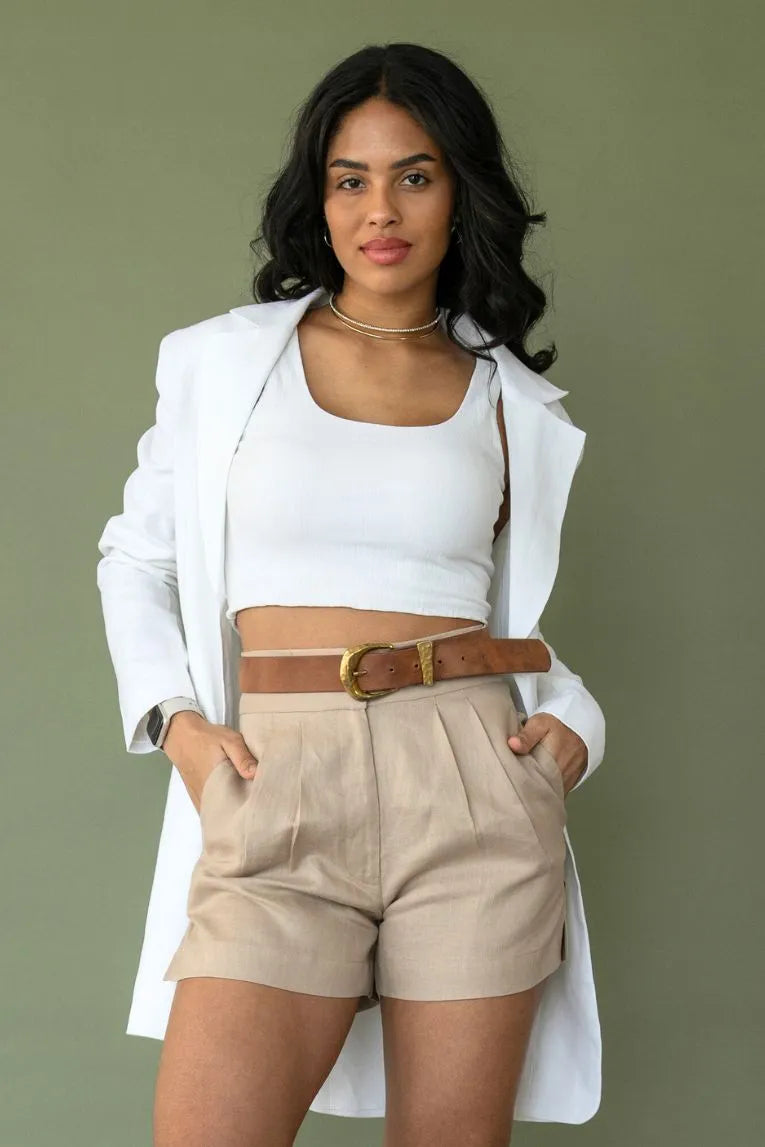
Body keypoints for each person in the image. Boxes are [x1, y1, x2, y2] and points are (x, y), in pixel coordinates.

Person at [96, 41, 606, 1147]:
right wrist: (177, 725)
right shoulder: (224, 365)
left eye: (414, 175)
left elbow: (501, 620)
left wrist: (576, 718)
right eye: (350, 178)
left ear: (460, 192)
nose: (381, 209)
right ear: (317, 199)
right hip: (277, 776)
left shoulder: (511, 401)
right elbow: (137, 558)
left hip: (472, 782)